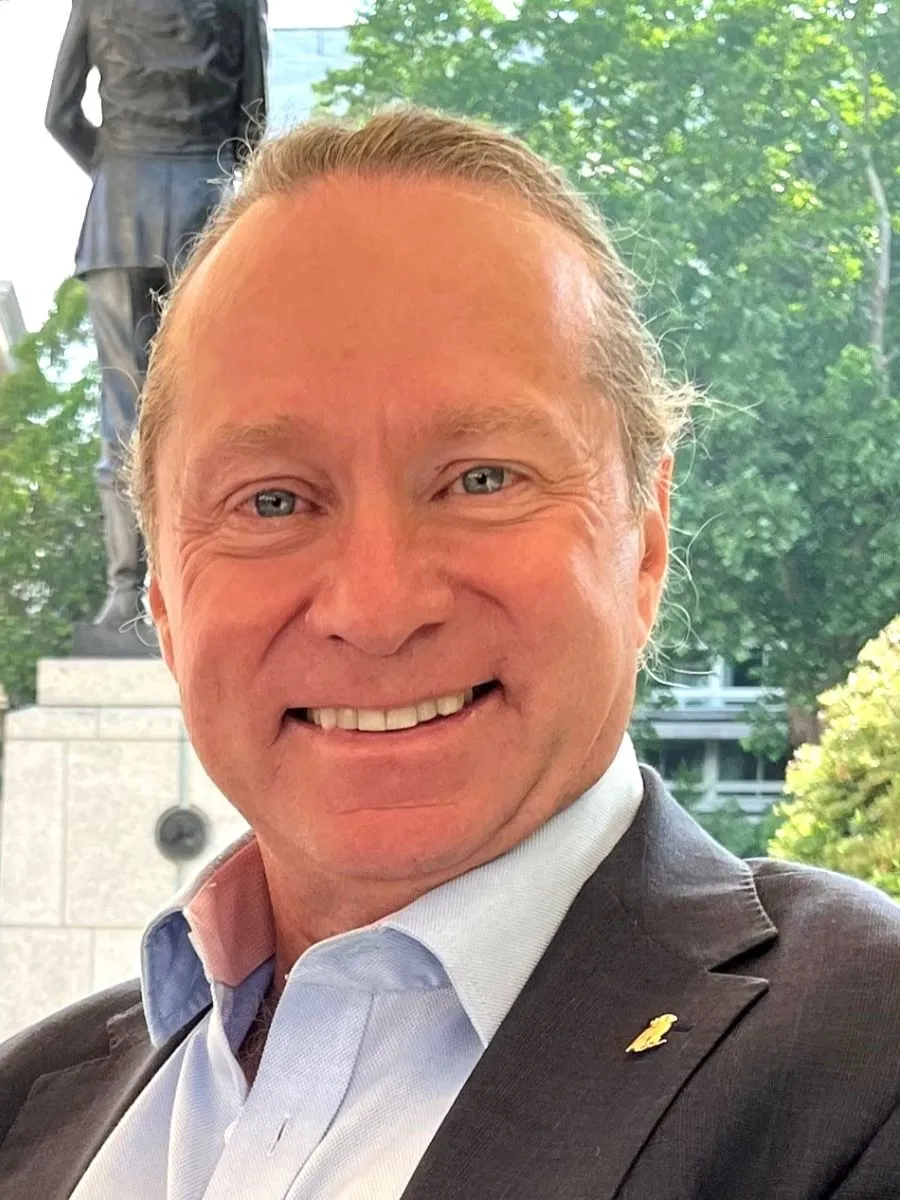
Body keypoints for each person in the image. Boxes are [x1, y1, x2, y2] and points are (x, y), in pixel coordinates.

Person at [3, 107, 900, 1199]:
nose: (376, 607)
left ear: (646, 534)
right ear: (162, 595)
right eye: (273, 499)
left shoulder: (865, 1067)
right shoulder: (26, 1104)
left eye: (482, 479)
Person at [44, 0, 268, 634]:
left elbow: (59, 116)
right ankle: (206, 582)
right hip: (204, 207)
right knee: (215, 405)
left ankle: (124, 594)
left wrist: (119, 170)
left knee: (123, 408)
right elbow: (253, 127)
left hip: (118, 212)